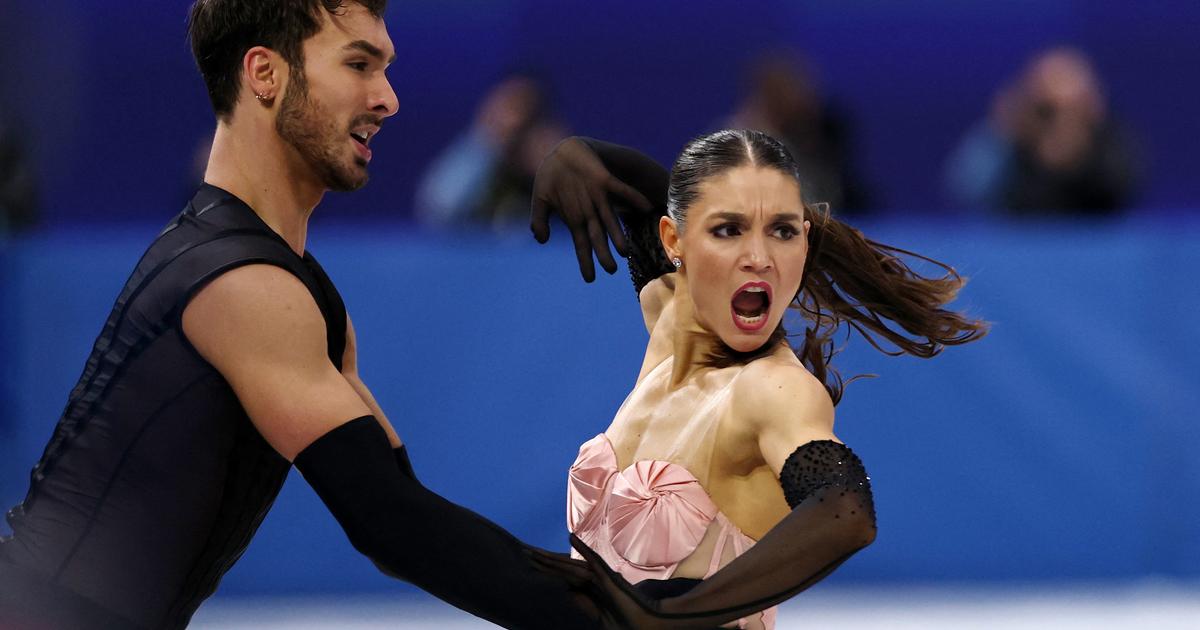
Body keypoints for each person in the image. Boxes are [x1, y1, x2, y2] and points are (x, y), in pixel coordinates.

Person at [0, 2, 612, 628]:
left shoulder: (290, 284)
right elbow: (393, 527)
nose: (388, 99)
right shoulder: (244, 284)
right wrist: (616, 616)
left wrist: (600, 598)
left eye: (385, 68)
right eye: (358, 64)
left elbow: (402, 511)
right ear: (265, 74)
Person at [527, 130, 987, 628]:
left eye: (783, 231)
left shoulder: (775, 389)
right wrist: (584, 153)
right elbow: (667, 210)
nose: (759, 257)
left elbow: (847, 512)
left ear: (804, 244)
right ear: (674, 241)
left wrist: (671, 616)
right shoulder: (668, 325)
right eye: (730, 230)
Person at [944, 46, 1139, 215]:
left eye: (1073, 109)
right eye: (1047, 110)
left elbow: (1125, 188)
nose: (1060, 122)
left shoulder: (1110, 143)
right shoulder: (1009, 138)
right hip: (1014, 247)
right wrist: (1001, 133)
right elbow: (966, 188)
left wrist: (1080, 157)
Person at [416, 72, 568, 230]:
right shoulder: (486, 163)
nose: (513, 122)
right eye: (509, 108)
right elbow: (437, 208)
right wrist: (484, 141)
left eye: (527, 113)